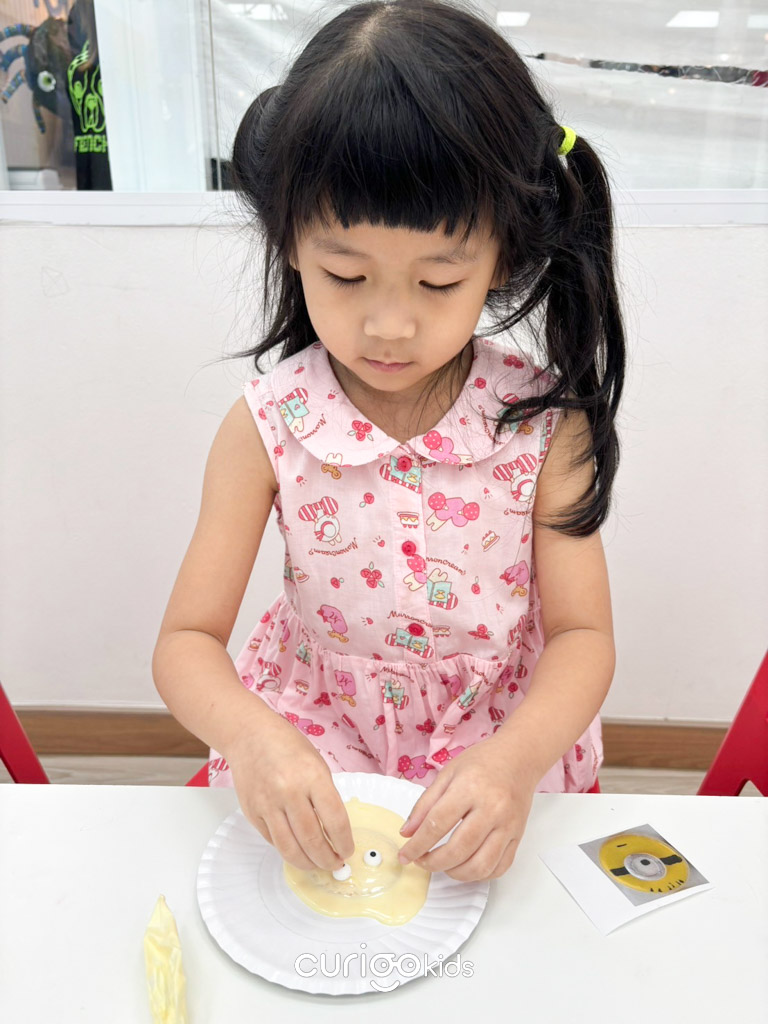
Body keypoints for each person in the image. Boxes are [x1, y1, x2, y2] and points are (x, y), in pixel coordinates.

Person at [152, 0, 625, 885]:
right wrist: (254, 740)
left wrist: (516, 761)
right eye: (346, 273)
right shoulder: (268, 425)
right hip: (316, 745)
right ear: (290, 244)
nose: (390, 324)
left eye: (439, 282)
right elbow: (185, 641)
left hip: (497, 751)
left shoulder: (541, 425)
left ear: (502, 261)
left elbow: (583, 635)